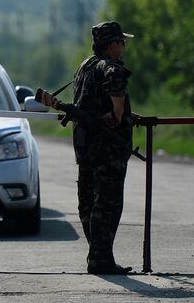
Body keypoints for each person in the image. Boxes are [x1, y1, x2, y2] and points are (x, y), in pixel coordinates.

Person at [73, 21, 135, 274]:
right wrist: (119, 112)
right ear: (113, 45)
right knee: (107, 205)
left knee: (87, 203)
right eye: (122, 42)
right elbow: (114, 85)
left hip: (85, 146)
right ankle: (101, 259)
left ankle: (97, 255)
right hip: (107, 149)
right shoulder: (110, 67)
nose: (124, 46)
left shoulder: (85, 66)